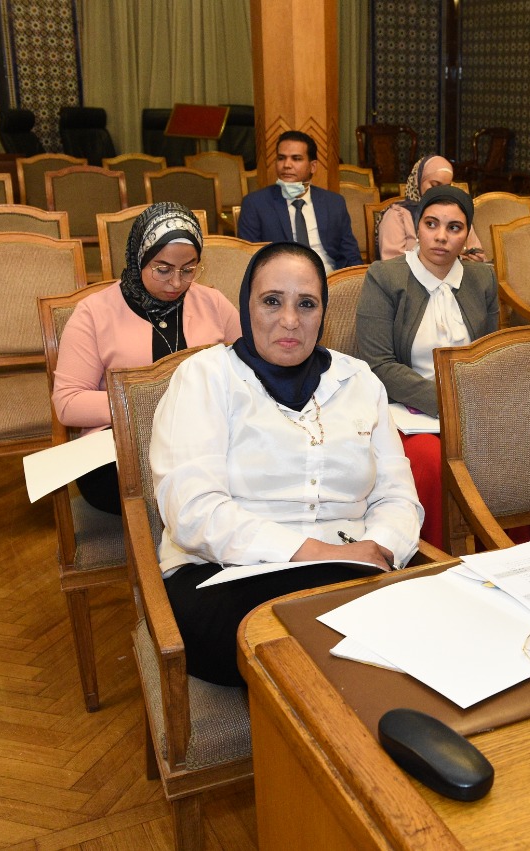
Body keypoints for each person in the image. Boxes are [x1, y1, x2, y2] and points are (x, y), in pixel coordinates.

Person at [151, 241, 422, 686]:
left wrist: (382, 548)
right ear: (247, 304)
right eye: (272, 301)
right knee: (337, 646)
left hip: (356, 567)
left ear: (323, 312)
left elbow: (396, 495)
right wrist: (323, 554)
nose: (290, 320)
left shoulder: (358, 380)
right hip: (228, 576)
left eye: (307, 304)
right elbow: (194, 513)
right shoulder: (206, 377)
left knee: (426, 628)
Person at [51, 202, 240, 515]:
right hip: (126, 443)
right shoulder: (94, 313)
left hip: (205, 436)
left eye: (188, 269)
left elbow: (249, 369)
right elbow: (68, 403)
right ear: (139, 258)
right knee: (170, 485)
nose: (176, 282)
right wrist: (152, 403)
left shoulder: (213, 303)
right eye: (162, 269)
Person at [356, 185, 500, 547]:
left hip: (472, 409)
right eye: (431, 224)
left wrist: (472, 407)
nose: (441, 236)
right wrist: (449, 404)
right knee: (430, 461)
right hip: (405, 409)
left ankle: (505, 552)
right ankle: (435, 555)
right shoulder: (385, 276)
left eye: (454, 227)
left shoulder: (482, 278)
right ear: (418, 227)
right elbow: (377, 364)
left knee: (513, 447)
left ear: (467, 235)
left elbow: (491, 355)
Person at [237, 130, 362, 272]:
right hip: (282, 279)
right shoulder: (255, 204)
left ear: (312, 166)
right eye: (281, 158)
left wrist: (356, 280)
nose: (286, 165)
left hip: (331, 277)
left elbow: (351, 255)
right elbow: (249, 260)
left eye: (296, 159)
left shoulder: (334, 203)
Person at [376, 155, 484, 261]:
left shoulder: (457, 214)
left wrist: (475, 259)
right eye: (434, 185)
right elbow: (392, 264)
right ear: (418, 181)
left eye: (446, 187)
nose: (440, 192)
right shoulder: (397, 215)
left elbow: (478, 253)